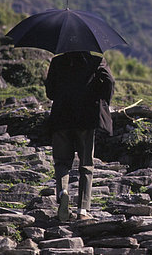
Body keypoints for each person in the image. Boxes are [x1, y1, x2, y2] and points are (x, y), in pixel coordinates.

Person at [44, 51, 115, 221]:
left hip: (61, 117)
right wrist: (102, 100)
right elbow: (110, 82)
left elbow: (50, 92)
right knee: (86, 164)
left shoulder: (57, 61)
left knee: (61, 162)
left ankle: (63, 192)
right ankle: (82, 210)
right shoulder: (97, 61)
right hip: (86, 118)